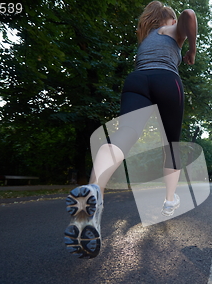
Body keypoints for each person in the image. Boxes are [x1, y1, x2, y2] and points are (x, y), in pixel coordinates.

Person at [63, 1, 197, 259]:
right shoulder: (171, 30)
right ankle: (170, 200)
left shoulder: (145, 39)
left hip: (136, 81)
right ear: (168, 20)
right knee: (171, 145)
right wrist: (191, 50)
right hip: (166, 80)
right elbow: (190, 15)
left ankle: (93, 191)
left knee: (125, 134)